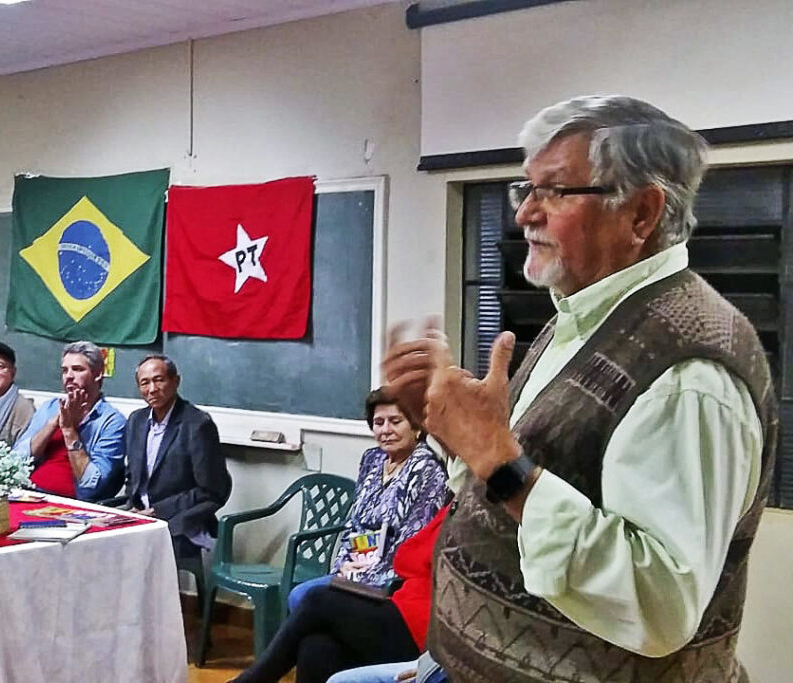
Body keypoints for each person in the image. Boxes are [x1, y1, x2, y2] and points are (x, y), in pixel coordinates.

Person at [384, 95, 777, 681]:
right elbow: (518, 487)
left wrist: (498, 462)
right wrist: (454, 431)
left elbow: (661, 605)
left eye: (555, 191)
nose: (524, 213)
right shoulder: (579, 316)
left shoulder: (689, 377)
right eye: (526, 189)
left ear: (641, 213)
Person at [232, 503, 453, 683]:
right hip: (396, 599)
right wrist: (345, 563)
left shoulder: (459, 508)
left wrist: (374, 567)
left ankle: (252, 680)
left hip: (422, 625)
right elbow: (360, 529)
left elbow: (409, 556)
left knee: (317, 599)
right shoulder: (454, 504)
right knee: (316, 647)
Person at [286, 388, 448, 612]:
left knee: (307, 601)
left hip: (390, 581)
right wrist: (343, 566)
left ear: (416, 426)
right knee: (301, 596)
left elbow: (411, 544)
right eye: (379, 422)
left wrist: (362, 576)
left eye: (395, 421)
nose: (386, 430)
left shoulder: (427, 469)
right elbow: (354, 523)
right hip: (353, 570)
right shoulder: (372, 459)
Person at [124, 354, 231, 560]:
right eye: (144, 383)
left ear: (176, 381)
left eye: (159, 380)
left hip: (178, 518)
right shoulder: (136, 421)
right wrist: (134, 507)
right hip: (139, 514)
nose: (152, 389)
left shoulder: (197, 424)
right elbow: (131, 476)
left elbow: (211, 490)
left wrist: (157, 511)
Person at [12, 341, 126, 502]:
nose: (69, 376)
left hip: (70, 504)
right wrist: (53, 424)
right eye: (65, 370)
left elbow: (92, 485)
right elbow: (16, 462)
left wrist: (69, 430)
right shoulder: (50, 407)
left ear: (98, 374)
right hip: (27, 493)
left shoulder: (112, 421)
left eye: (77, 369)